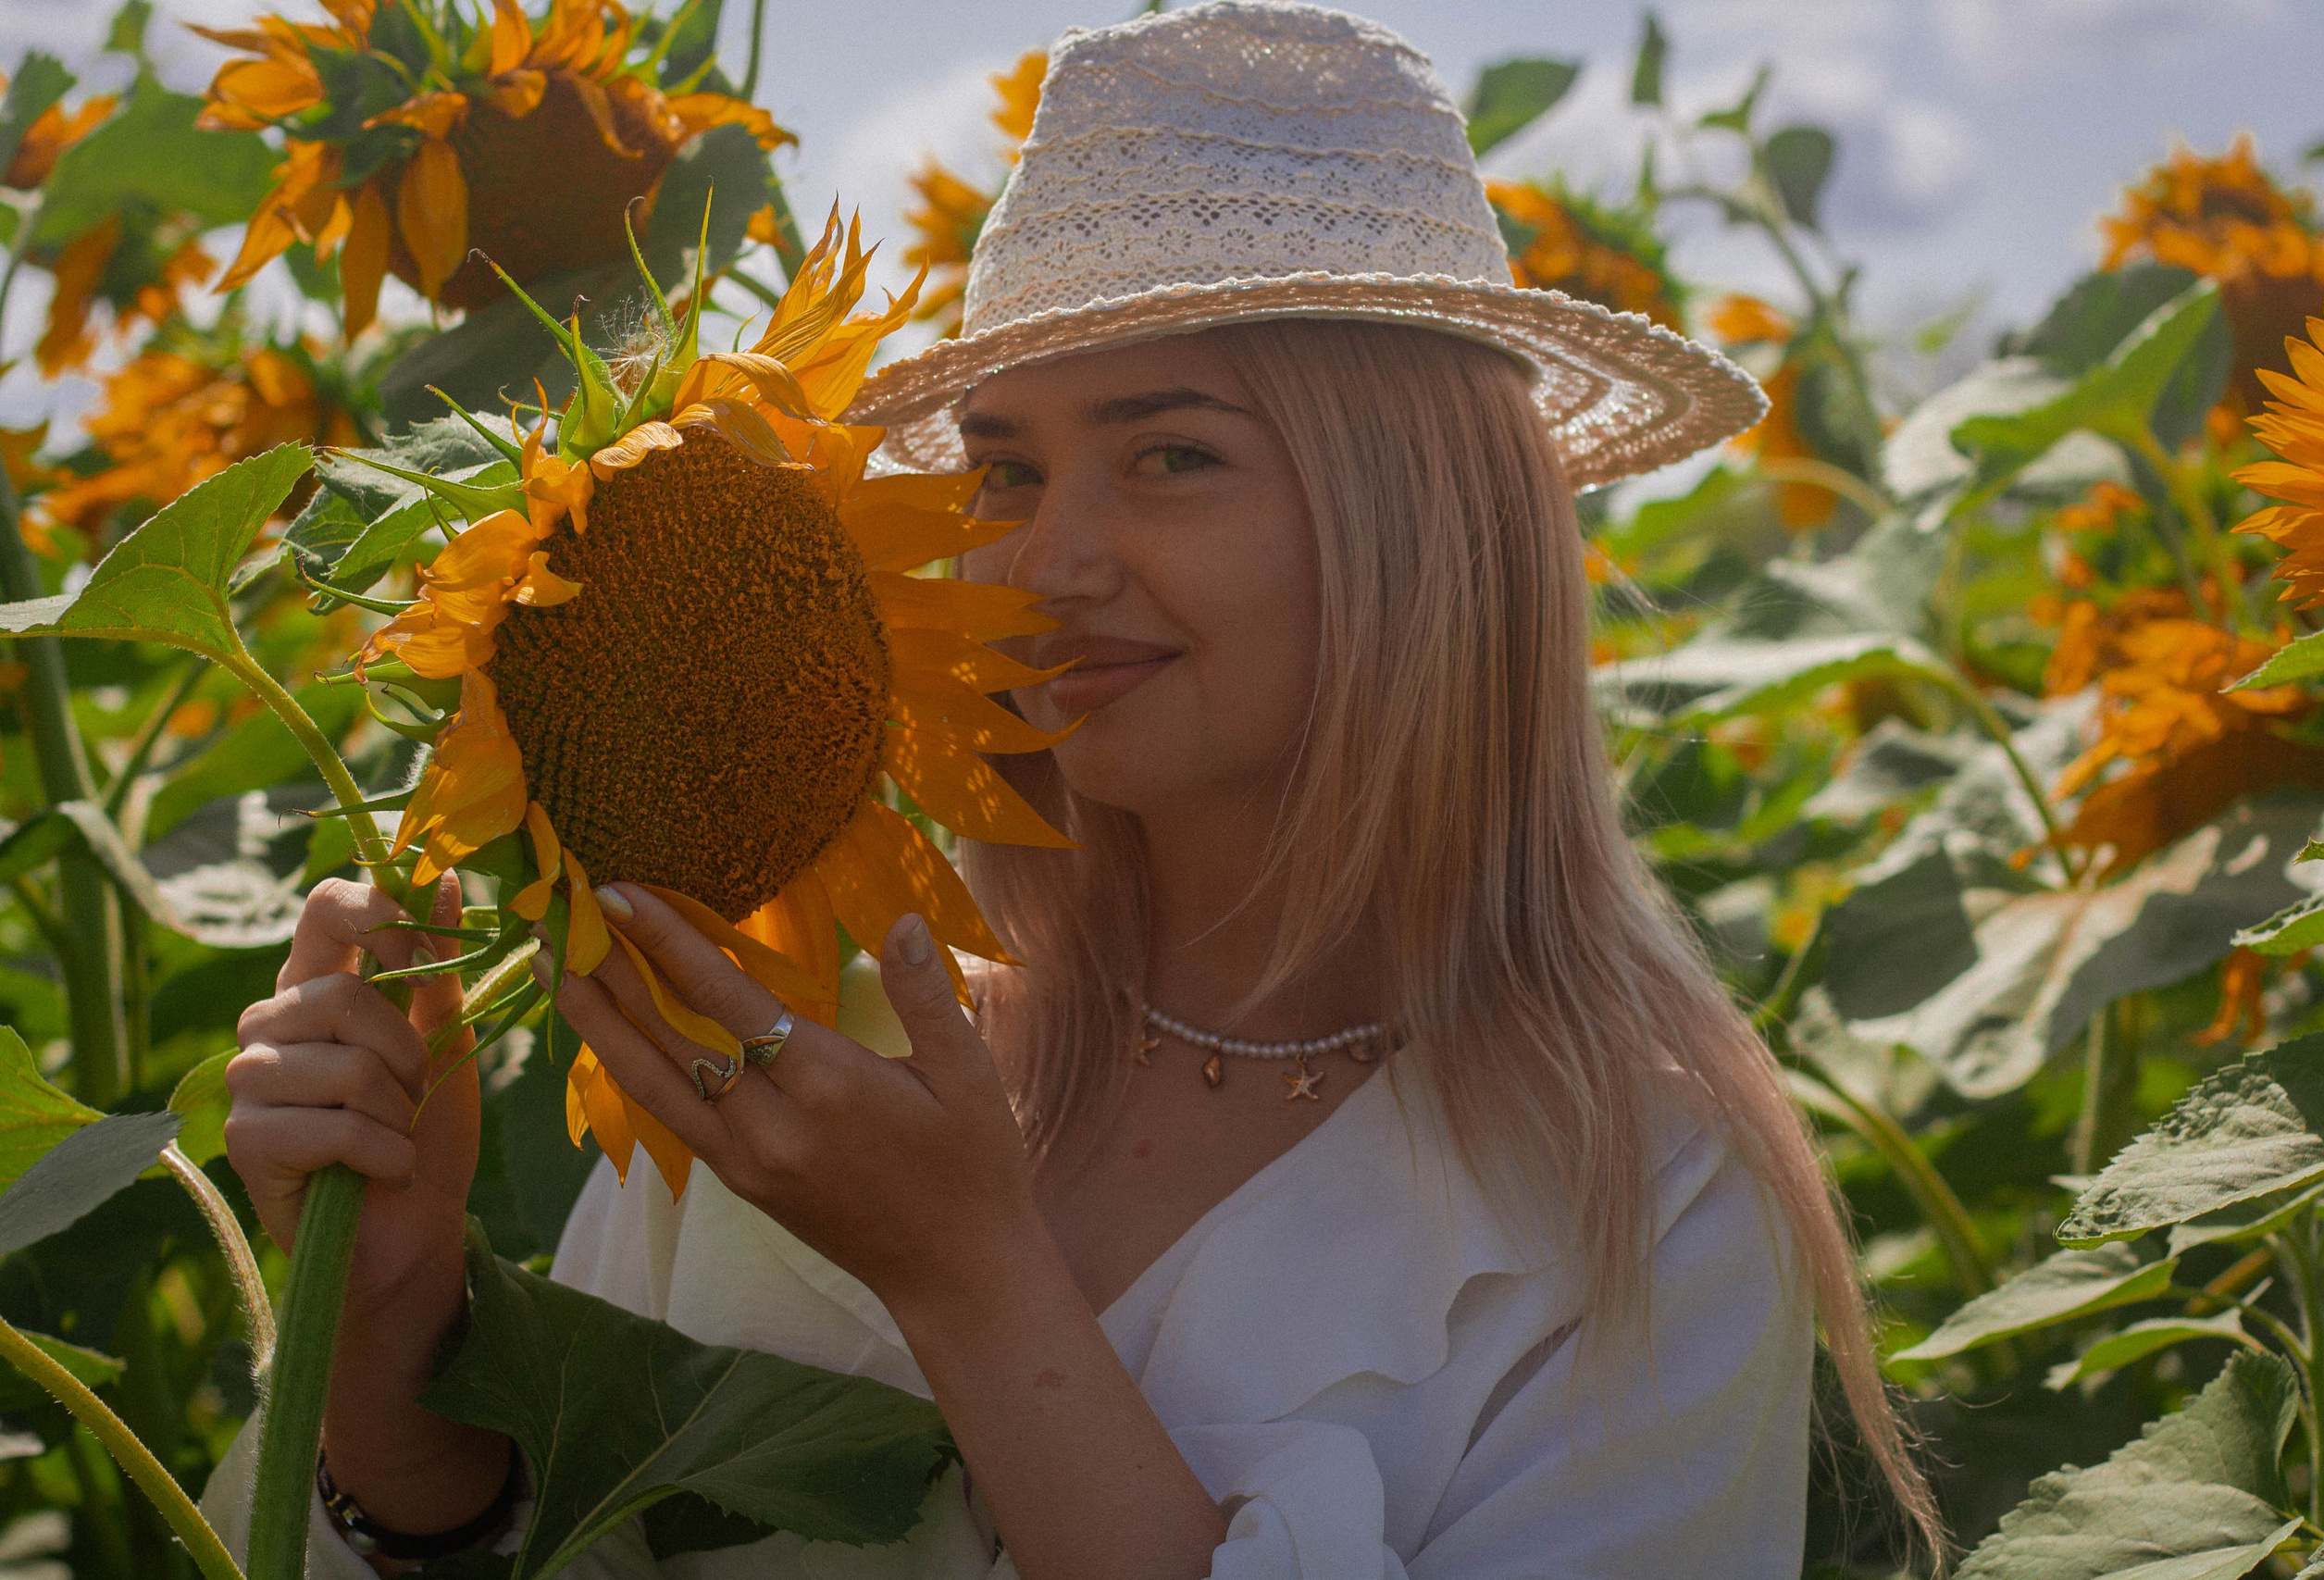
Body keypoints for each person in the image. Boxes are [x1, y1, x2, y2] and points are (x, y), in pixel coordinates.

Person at [208, 2, 1939, 1575]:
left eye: (1172, 456)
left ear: (1426, 530)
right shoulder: (801, 1007)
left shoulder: (1645, 1197)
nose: (1044, 561)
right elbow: (563, 1538)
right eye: (1004, 469)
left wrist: (969, 1283)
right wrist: (391, 1340)